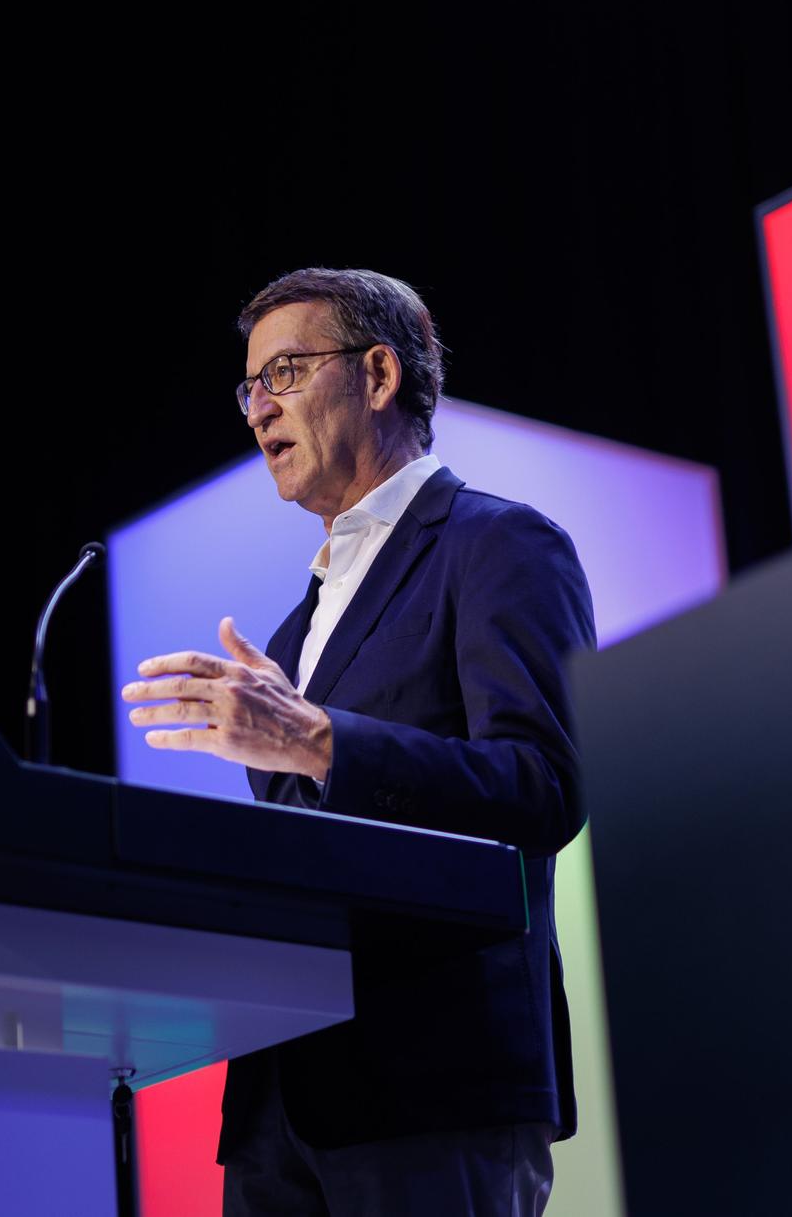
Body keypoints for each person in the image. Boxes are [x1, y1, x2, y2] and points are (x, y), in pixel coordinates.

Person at [121, 268, 595, 1215]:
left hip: (435, 1081)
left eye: (286, 373)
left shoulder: (497, 544)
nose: (259, 412)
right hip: (281, 1099)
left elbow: (545, 786)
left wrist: (323, 739)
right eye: (250, 387)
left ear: (378, 374)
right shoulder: (294, 639)